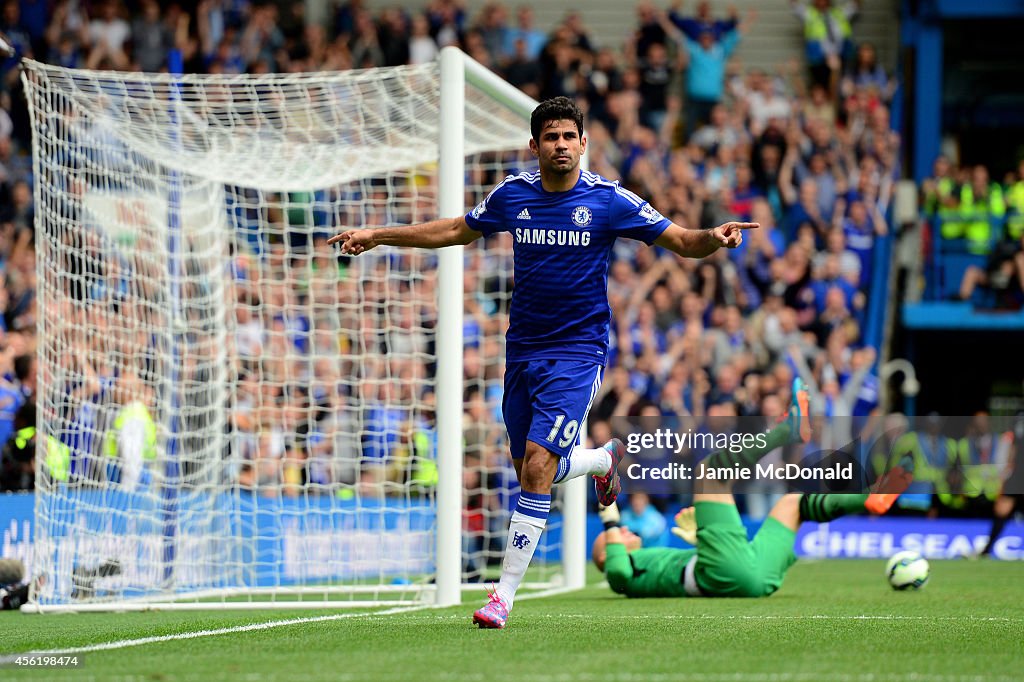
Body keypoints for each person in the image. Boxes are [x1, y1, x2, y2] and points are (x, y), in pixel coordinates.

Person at [328, 96, 758, 628]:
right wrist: (377, 234)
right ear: (535, 145)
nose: (560, 145)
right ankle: (600, 462)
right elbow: (456, 230)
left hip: (579, 352)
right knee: (531, 469)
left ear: (583, 143)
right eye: (550, 137)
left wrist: (713, 238)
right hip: (523, 349)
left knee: (536, 464)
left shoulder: (609, 200)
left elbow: (680, 241)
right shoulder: (512, 195)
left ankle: (501, 597)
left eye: (568, 136)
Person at [592, 385, 913, 599]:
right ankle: (786, 430)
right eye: (616, 536)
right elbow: (616, 572)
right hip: (722, 573)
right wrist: (608, 513)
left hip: (752, 576)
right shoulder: (624, 572)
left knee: (793, 503)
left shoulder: (644, 564)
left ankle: (868, 498)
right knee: (707, 473)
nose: (622, 530)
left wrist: (702, 540)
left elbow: (667, 571)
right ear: (607, 554)